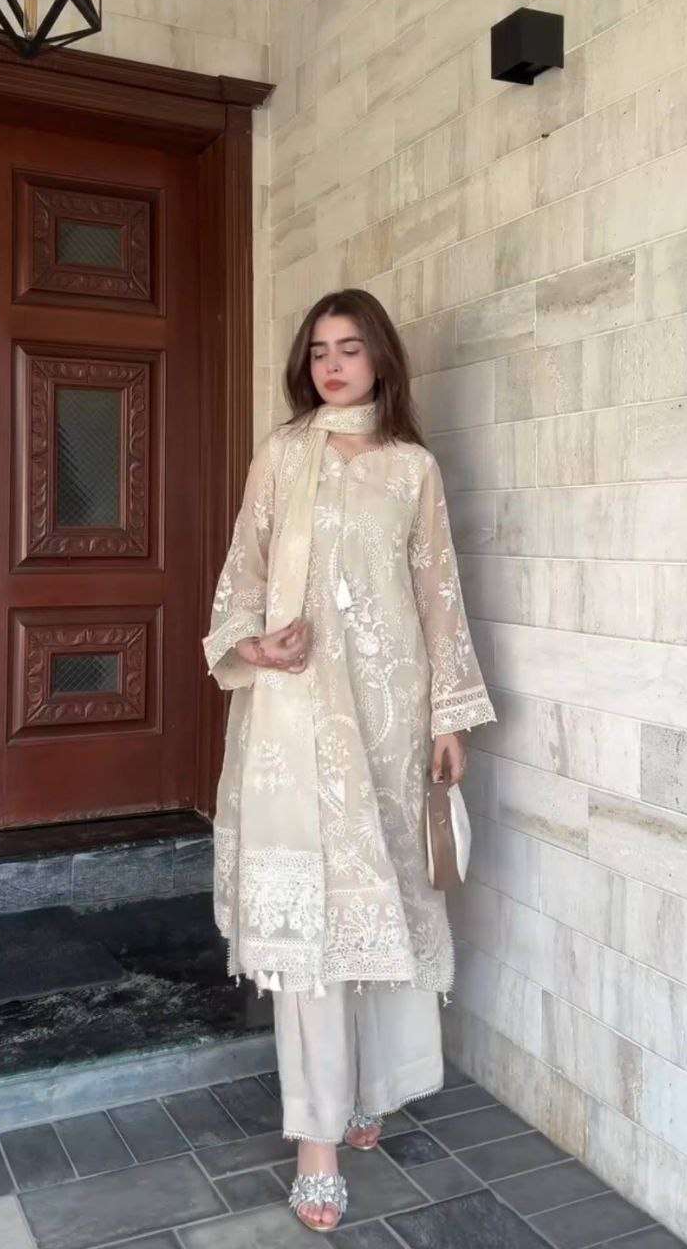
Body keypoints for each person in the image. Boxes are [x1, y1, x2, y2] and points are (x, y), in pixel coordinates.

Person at [201, 288, 497, 1233]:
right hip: (293, 722)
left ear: (380, 361)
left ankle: (370, 1087)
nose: (332, 365)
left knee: (382, 905)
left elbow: (439, 594)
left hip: (387, 721)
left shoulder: (412, 469)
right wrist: (253, 646)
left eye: (351, 348)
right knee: (312, 925)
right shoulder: (282, 455)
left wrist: (450, 717)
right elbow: (243, 571)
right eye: (320, 350)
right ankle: (317, 1141)